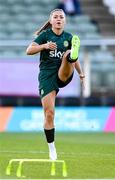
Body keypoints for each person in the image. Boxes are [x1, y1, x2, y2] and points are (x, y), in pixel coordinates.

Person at [26, 9, 85, 160]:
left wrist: (81, 74)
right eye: (55, 17)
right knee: (49, 114)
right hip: (47, 76)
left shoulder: (69, 37)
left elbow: (76, 59)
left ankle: (70, 54)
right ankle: (52, 148)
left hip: (64, 73)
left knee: (68, 55)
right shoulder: (45, 36)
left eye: (61, 17)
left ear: (65, 21)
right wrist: (44, 46)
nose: (58, 19)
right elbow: (29, 50)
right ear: (51, 21)